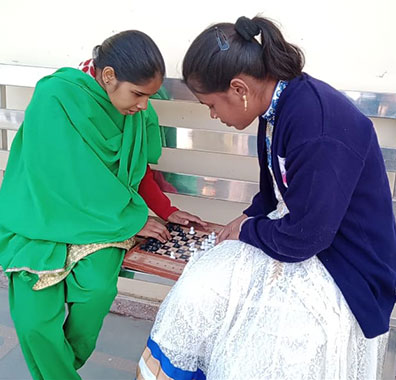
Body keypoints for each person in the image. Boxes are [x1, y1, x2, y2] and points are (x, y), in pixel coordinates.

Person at [136, 16, 396, 380]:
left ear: (239, 88)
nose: (212, 114)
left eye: (211, 104)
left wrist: (247, 231)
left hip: (345, 263)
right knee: (199, 289)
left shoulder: (316, 125)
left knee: (264, 350)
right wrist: (246, 219)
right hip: (304, 235)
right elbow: (273, 193)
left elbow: (307, 237)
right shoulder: (277, 107)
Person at [0, 30, 204, 380]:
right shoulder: (55, 97)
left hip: (102, 222)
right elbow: (53, 177)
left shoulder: (136, 111)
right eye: (138, 94)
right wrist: (132, 221)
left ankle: (59, 371)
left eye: (149, 96)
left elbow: (135, 169)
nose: (143, 105)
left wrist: (166, 210)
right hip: (41, 217)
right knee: (34, 321)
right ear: (108, 76)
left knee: (97, 290)